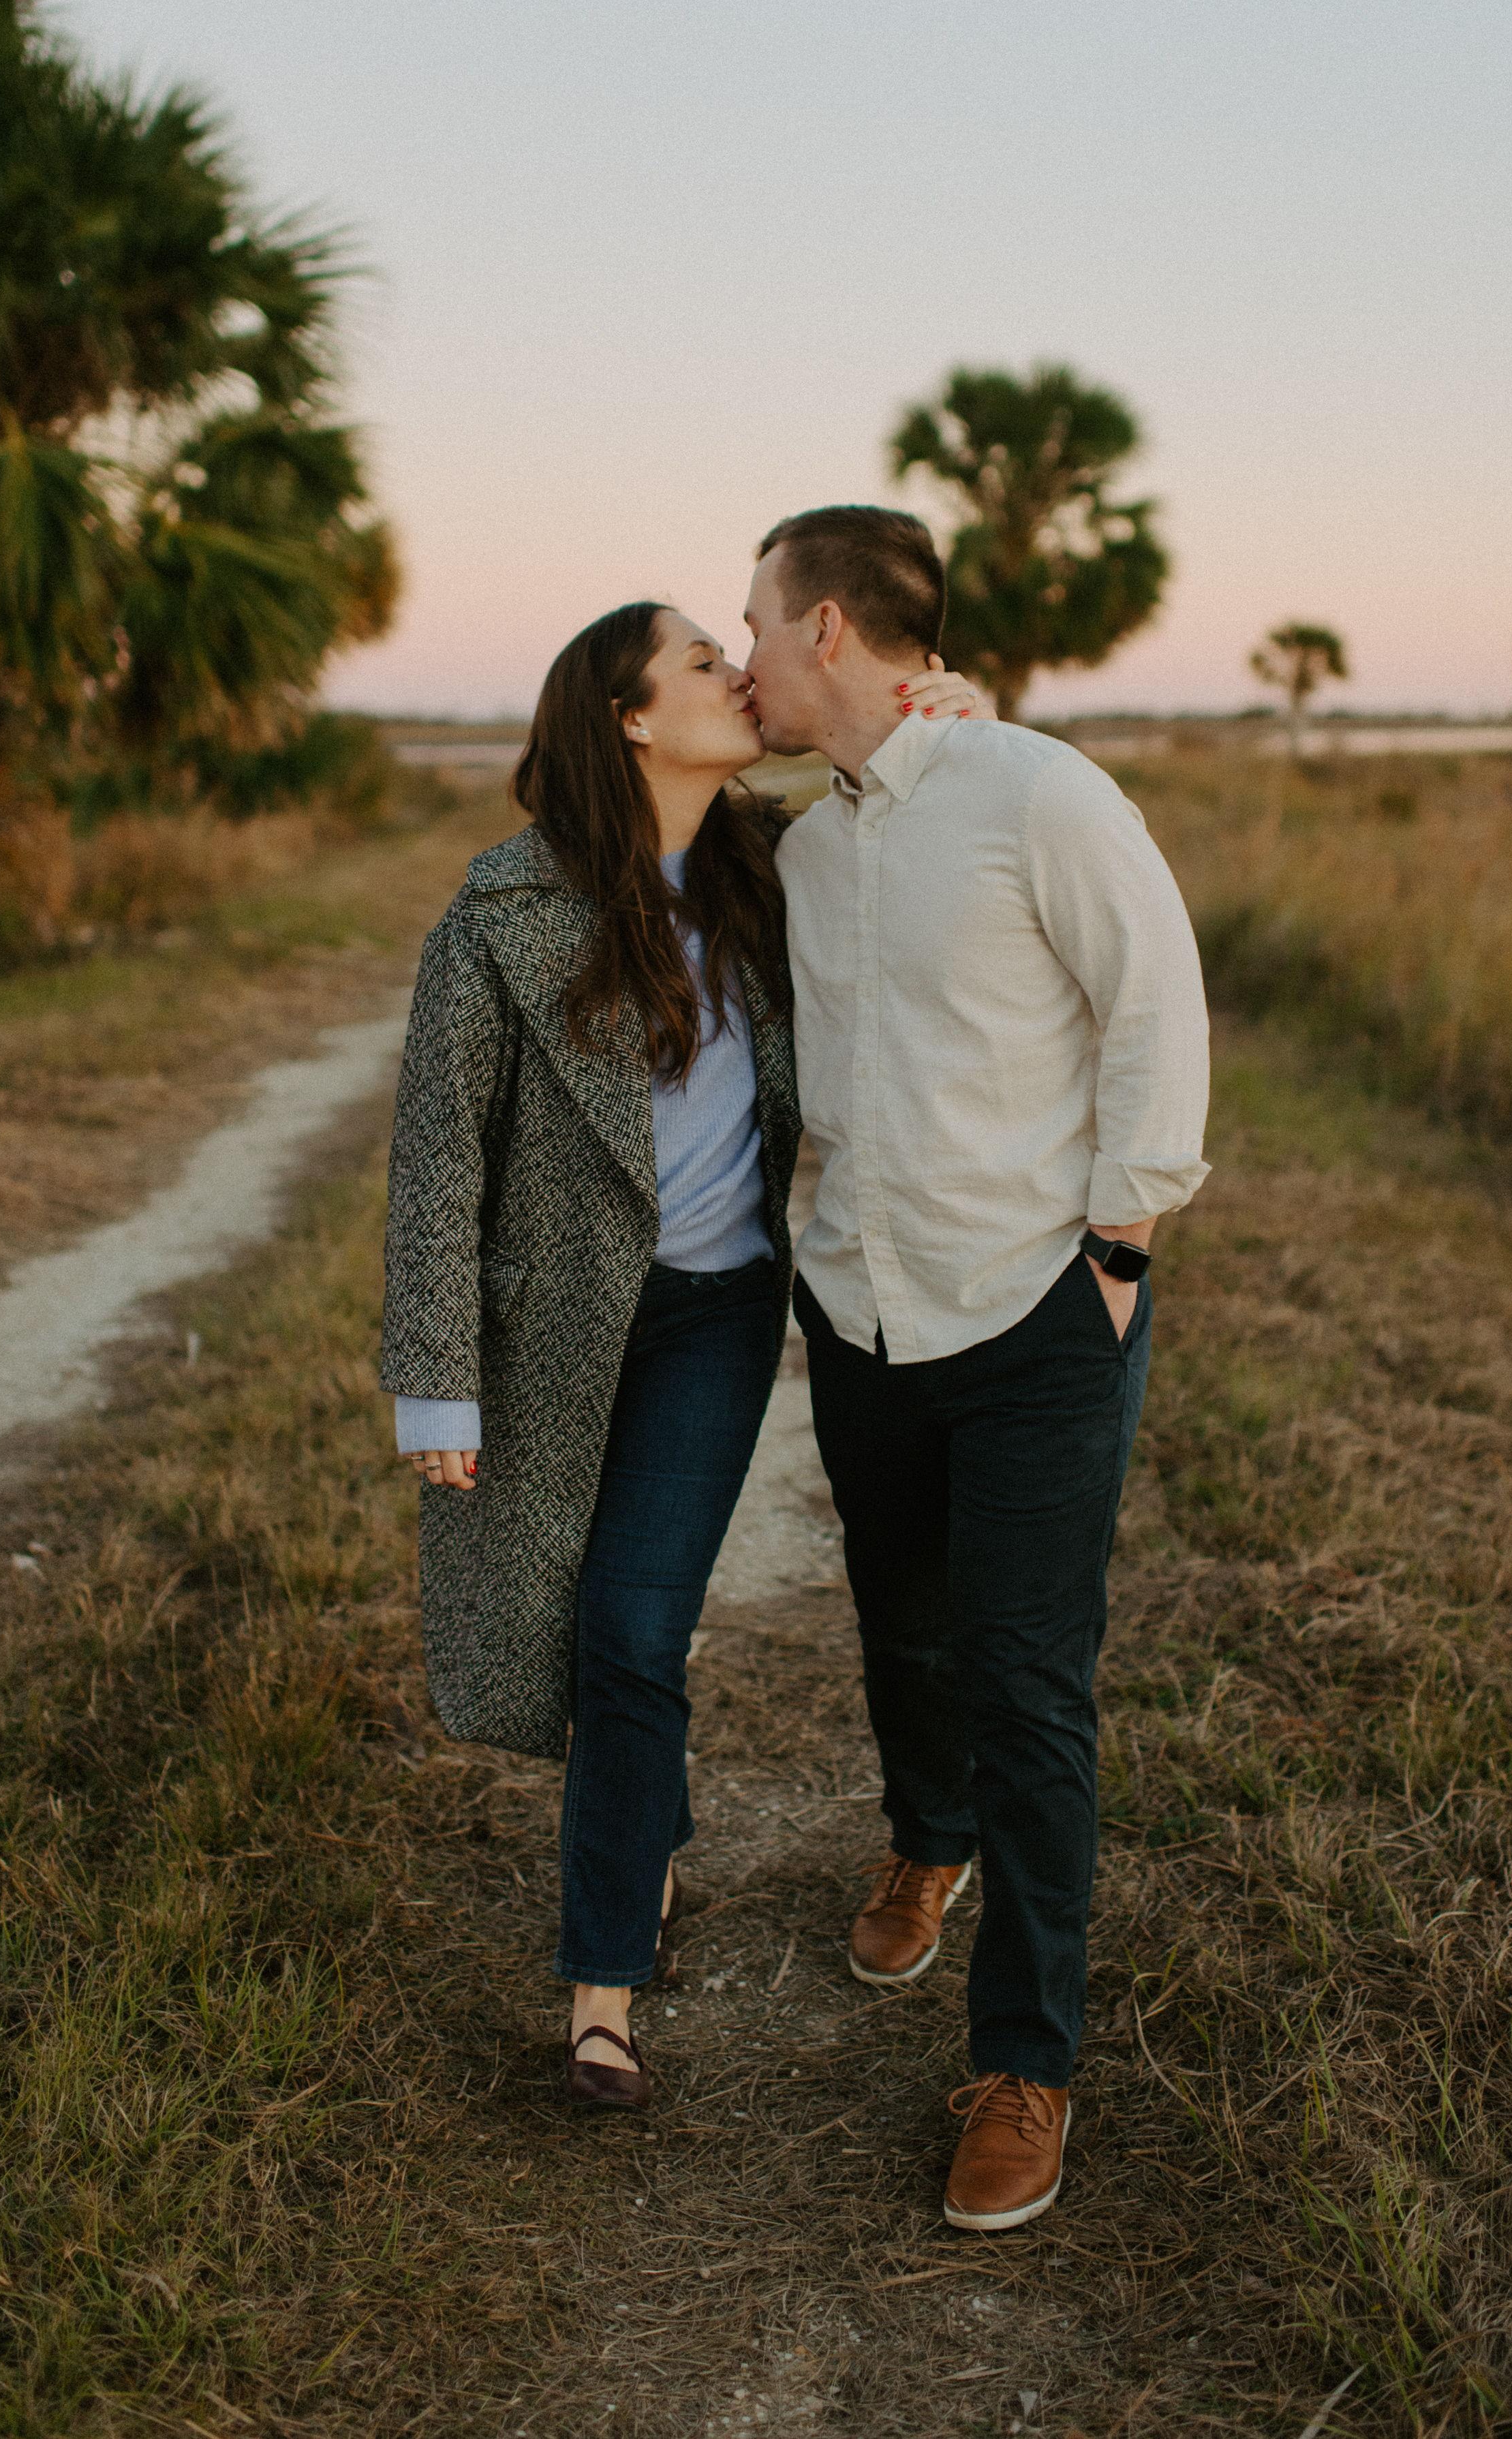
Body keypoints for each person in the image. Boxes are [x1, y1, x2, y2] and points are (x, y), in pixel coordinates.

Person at [378, 598, 982, 2111]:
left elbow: (916, 826)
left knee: (631, 1631)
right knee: (568, 1624)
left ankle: (601, 1997)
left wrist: (953, 726)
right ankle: (643, 1834)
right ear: (633, 717)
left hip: (716, 1313)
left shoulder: (777, 867)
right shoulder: (501, 913)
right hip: (551, 1320)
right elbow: (439, 1155)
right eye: (704, 660)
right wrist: (435, 1377)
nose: (737, 673)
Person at [739, 504, 1214, 2233]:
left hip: (1034, 1312)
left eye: (756, 623)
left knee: (1027, 1679)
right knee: (904, 1621)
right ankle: (922, 1836)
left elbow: (1156, 1003)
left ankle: (1025, 2061)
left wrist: (1118, 1250)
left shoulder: (1038, 794)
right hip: (861, 1307)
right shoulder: (801, 841)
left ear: (832, 627)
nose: (743, 653)